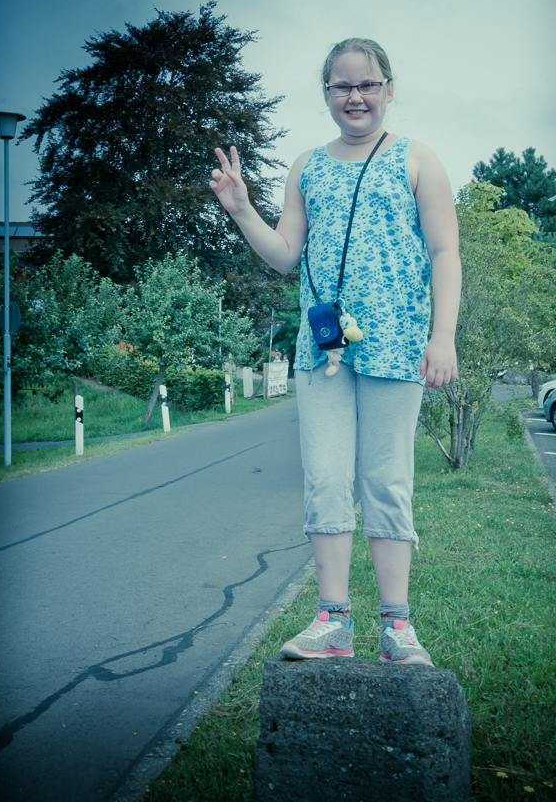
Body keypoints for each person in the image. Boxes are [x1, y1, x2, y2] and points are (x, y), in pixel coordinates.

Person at [209, 38, 460, 665]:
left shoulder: (417, 158)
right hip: (324, 353)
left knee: (387, 482)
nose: (355, 96)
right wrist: (242, 209)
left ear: (389, 89)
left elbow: (444, 252)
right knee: (325, 479)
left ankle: (397, 625)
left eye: (367, 84)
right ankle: (333, 622)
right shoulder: (306, 167)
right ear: (326, 93)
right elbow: (284, 255)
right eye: (342, 86)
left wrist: (443, 336)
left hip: (397, 345)